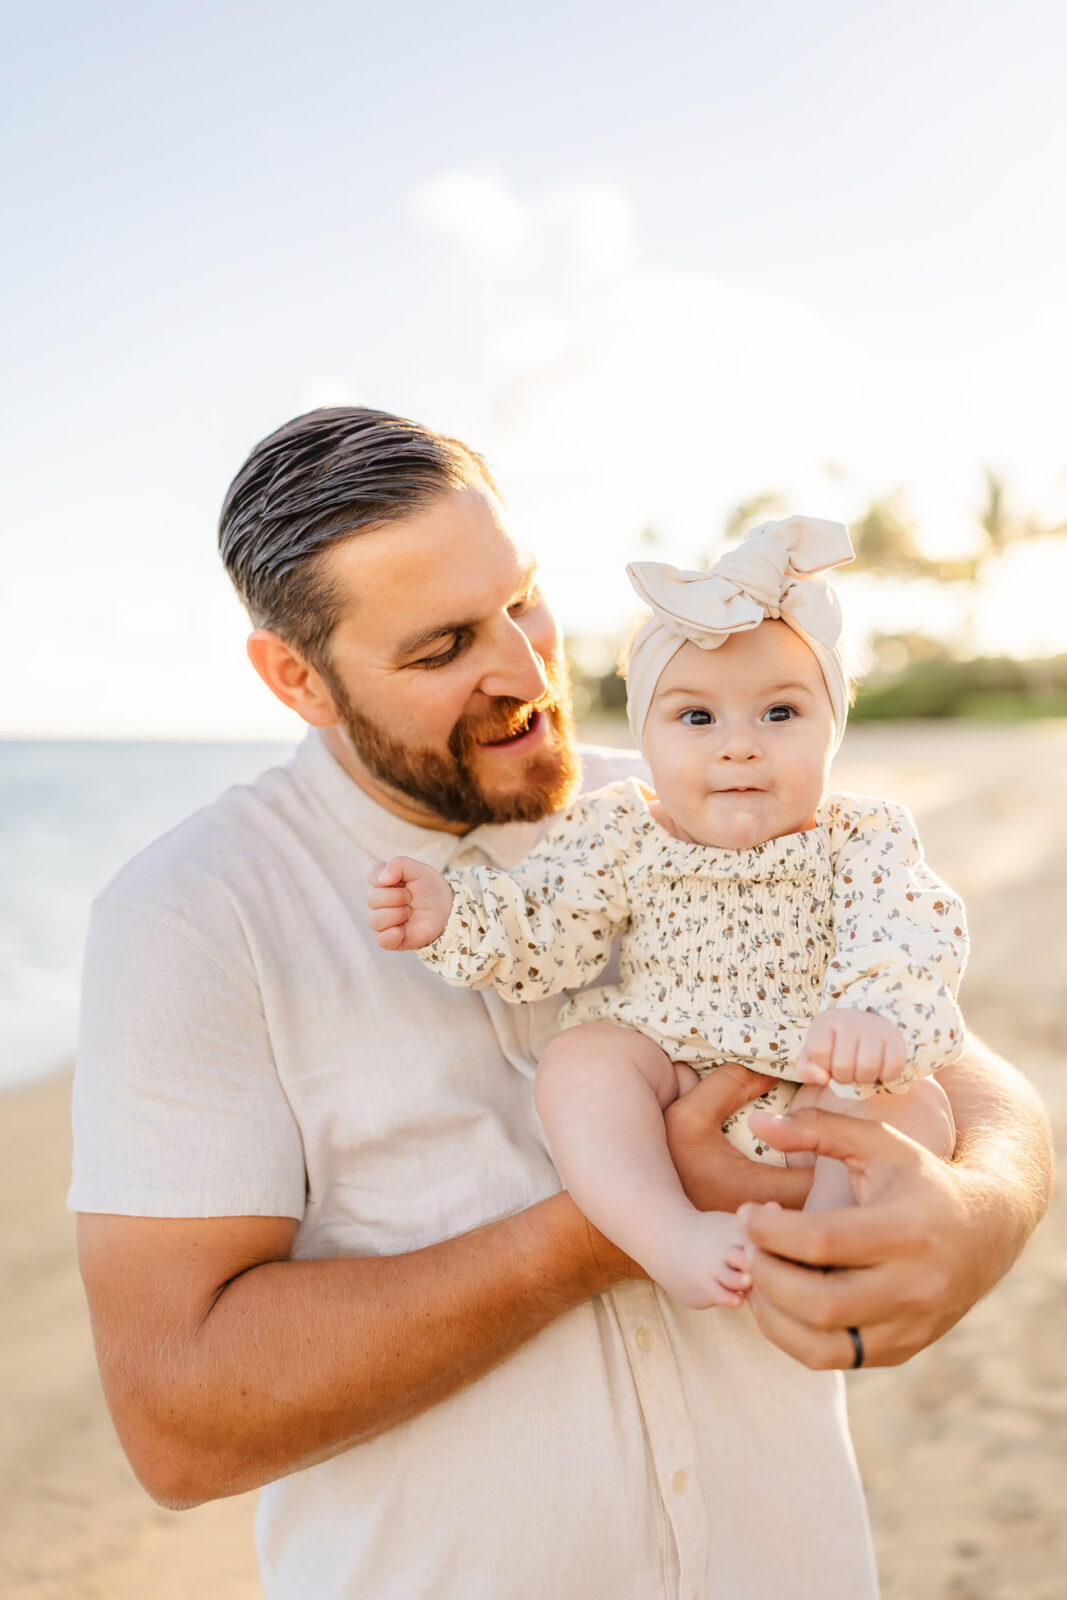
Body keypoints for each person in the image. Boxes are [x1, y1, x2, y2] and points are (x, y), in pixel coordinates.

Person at [71, 407, 1053, 1600]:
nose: (528, 674)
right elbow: (179, 1422)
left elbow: (947, 1050)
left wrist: (984, 1209)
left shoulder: (695, 784)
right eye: (441, 650)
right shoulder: (191, 915)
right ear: (297, 677)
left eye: (522, 601)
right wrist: (613, 1226)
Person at [367, 516, 964, 1311]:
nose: (739, 746)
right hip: (671, 1069)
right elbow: (552, 926)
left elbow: (911, 930)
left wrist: (876, 1018)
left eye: (780, 714)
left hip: (820, 1078)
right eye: (696, 718)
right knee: (582, 1062)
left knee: (914, 1103)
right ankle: (664, 1233)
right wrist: (453, 914)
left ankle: (823, 1242)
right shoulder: (620, 828)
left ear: (833, 733)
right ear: (645, 738)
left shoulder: (862, 837)